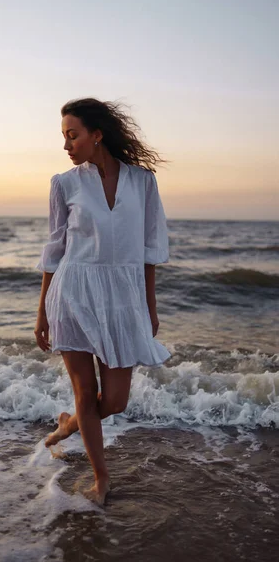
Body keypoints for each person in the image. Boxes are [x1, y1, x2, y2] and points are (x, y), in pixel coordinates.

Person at [34, 97, 171, 506]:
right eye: (64, 136)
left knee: (114, 400)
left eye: (72, 135)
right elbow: (54, 250)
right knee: (84, 389)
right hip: (73, 293)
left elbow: (149, 249)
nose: (66, 145)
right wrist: (42, 310)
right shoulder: (64, 183)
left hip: (122, 297)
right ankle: (101, 478)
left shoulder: (143, 181)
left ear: (97, 135)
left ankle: (68, 426)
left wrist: (149, 305)